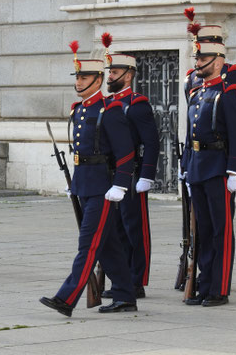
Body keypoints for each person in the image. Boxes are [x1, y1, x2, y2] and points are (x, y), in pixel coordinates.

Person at [40, 41, 137, 317]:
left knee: (88, 243)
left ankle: (66, 298)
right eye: (78, 77)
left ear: (99, 80)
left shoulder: (110, 109)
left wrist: (120, 183)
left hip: (104, 187)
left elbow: (126, 151)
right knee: (106, 244)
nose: (79, 81)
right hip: (85, 183)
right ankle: (125, 294)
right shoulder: (80, 109)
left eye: (84, 77)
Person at [183, 39, 236, 307]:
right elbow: (189, 135)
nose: (197, 63)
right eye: (197, 59)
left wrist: (234, 170)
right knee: (204, 231)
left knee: (221, 229)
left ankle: (219, 289)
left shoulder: (228, 90)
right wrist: (186, 168)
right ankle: (205, 283)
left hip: (219, 167)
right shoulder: (197, 92)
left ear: (218, 61)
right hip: (198, 166)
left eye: (202, 59)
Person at [99, 34, 160, 299]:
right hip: (109, 175)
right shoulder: (106, 106)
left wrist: (146, 175)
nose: (110, 76)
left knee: (135, 229)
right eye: (109, 71)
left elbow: (152, 143)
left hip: (132, 175)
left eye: (115, 71)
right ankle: (121, 280)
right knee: (116, 230)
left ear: (129, 74)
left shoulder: (137, 105)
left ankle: (137, 280)